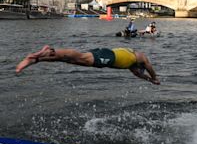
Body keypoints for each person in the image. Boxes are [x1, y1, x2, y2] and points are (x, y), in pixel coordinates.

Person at [16, 45, 160, 85]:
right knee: (80, 57)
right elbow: (148, 65)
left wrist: (150, 80)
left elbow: (141, 75)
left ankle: (38, 59)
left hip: (106, 56)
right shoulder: (138, 56)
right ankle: (50, 50)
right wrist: (155, 77)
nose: (139, 70)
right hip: (109, 56)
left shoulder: (132, 66)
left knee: (73, 60)